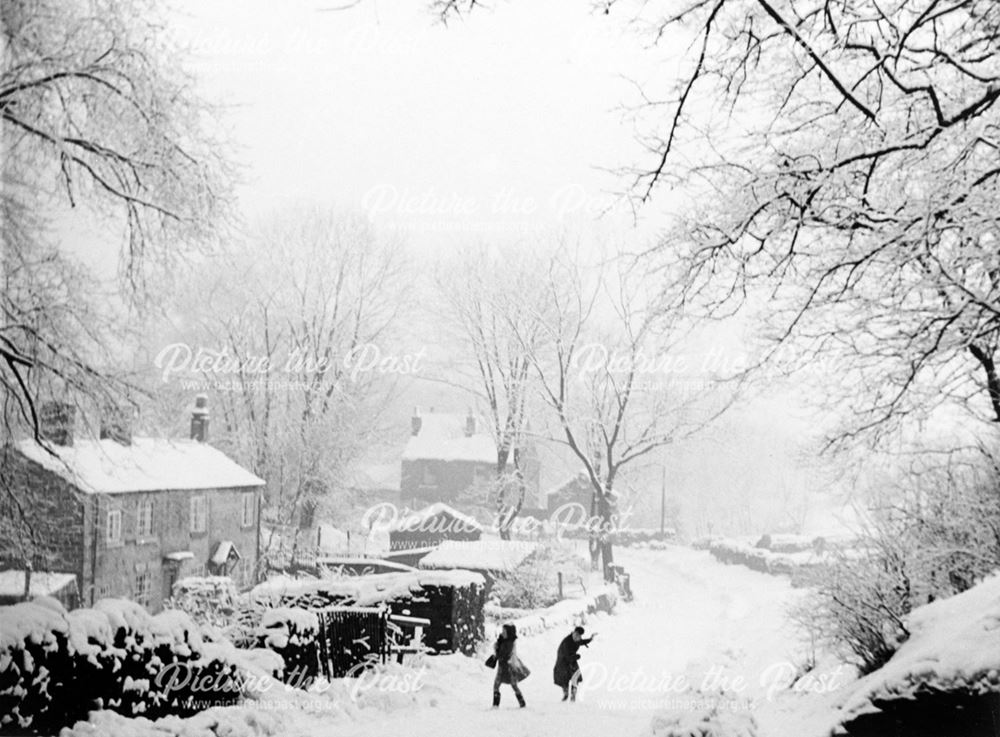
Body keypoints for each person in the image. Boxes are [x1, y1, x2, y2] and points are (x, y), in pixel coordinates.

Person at [491, 623, 529, 708]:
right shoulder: (503, 641)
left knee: (513, 685)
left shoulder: (509, 643)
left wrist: (497, 650)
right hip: (502, 667)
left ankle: (522, 702)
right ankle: (495, 704)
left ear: (508, 633)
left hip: (509, 668)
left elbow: (502, 654)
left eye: (504, 631)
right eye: (502, 631)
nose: (502, 633)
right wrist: (498, 645)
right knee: (496, 685)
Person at [553, 625, 596, 701]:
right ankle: (566, 693)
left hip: (572, 659)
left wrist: (590, 639)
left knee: (575, 676)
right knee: (564, 678)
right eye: (576, 635)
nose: (577, 637)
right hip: (563, 661)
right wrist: (577, 656)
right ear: (574, 632)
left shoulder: (577, 639)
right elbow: (567, 656)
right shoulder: (567, 642)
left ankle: (573, 693)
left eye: (579, 636)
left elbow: (581, 642)